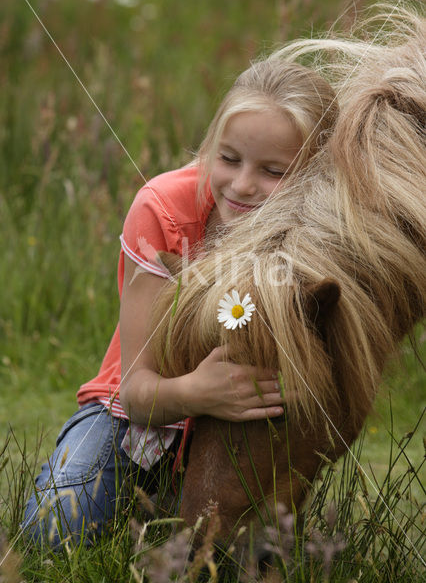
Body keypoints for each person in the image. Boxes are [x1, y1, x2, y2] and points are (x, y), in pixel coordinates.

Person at [22, 53, 338, 548]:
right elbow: (134, 390)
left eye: (273, 171)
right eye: (228, 158)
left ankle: (177, 511)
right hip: (134, 420)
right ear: (211, 146)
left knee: (231, 554)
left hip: (241, 431)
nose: (242, 185)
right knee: (52, 531)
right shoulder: (164, 212)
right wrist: (197, 393)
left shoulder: (318, 239)